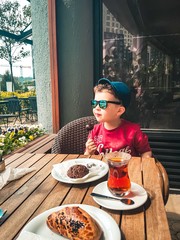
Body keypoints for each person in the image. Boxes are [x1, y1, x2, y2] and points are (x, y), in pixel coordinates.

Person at [84, 78, 152, 157]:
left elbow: (146, 152)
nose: (97, 107)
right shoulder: (94, 132)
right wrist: (88, 152)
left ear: (119, 111)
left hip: (126, 169)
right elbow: (86, 157)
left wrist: (142, 166)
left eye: (103, 103)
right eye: (94, 103)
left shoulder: (133, 132)